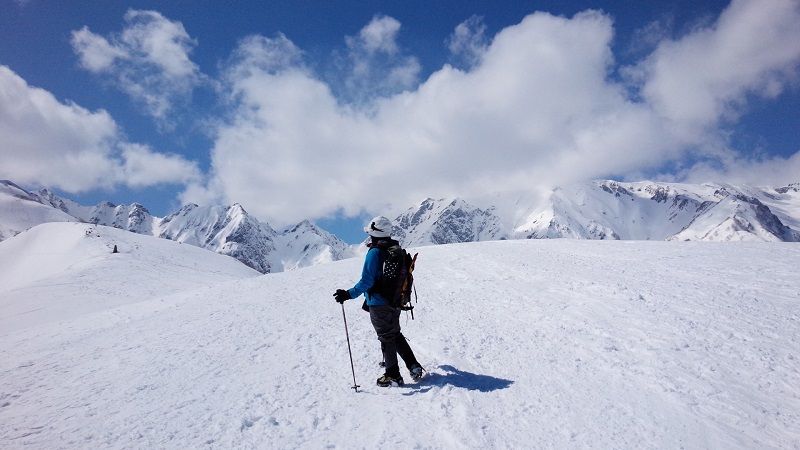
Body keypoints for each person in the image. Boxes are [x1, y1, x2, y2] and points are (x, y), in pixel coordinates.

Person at [334, 216, 424, 387]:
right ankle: (413, 366)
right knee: (394, 334)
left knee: (387, 337)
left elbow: (367, 281)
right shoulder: (394, 248)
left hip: (378, 302)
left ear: (374, 233)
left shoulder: (375, 252)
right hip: (395, 300)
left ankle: (393, 375)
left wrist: (348, 294)